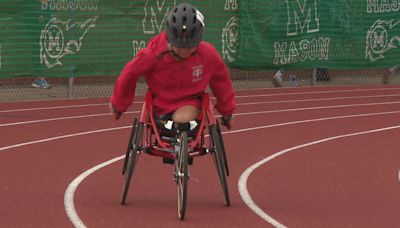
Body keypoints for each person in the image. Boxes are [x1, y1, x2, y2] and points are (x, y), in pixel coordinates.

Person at [109, 3, 236, 131]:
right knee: (174, 122)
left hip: (189, 103)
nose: (184, 52)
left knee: (181, 120)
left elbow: (222, 81)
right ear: (170, 39)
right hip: (160, 104)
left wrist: (227, 110)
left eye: (189, 47)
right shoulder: (153, 54)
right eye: (179, 47)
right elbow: (129, 74)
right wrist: (119, 103)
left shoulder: (208, 55)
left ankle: (178, 142)